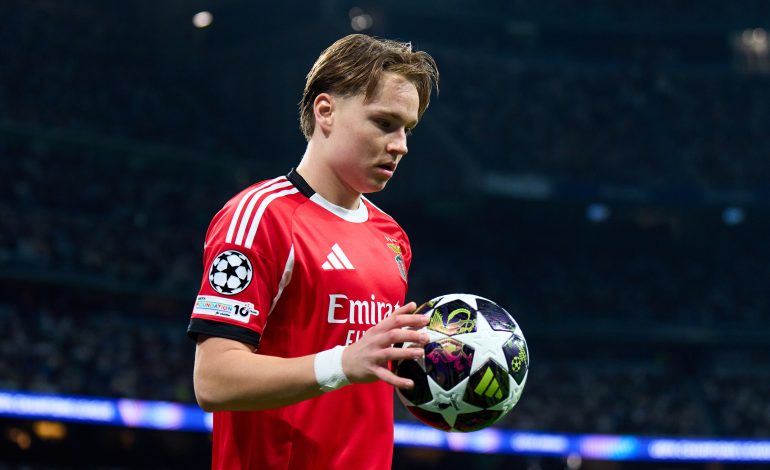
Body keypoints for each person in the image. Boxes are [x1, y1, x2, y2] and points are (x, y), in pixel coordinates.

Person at [187, 34, 439, 469]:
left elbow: (363, 380)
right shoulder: (260, 218)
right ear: (326, 111)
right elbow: (213, 379)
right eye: (384, 123)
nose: (401, 145)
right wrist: (344, 361)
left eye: (407, 129)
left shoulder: (391, 235)